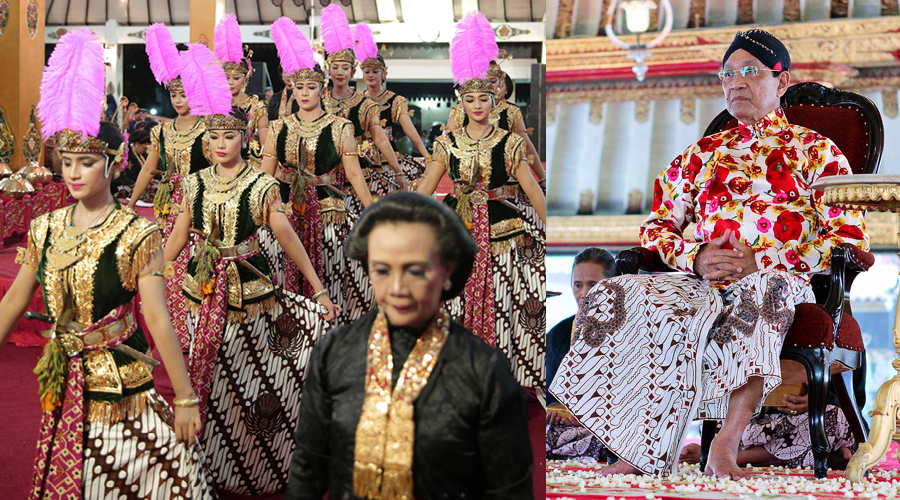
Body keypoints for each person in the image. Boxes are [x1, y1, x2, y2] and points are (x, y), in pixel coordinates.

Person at [549, 29, 869, 479]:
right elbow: (656, 227)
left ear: (781, 82)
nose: (735, 82)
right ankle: (638, 445)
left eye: (749, 72)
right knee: (619, 293)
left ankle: (725, 443)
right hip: (699, 280)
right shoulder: (700, 155)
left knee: (763, 290)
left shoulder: (817, 152)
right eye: (727, 74)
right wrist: (695, 257)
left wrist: (765, 261)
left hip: (777, 277)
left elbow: (849, 237)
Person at [0, 29, 213, 498]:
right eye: (67, 162)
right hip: (62, 374)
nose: (74, 173)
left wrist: (184, 397)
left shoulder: (138, 232)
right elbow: (15, 299)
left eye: (86, 163)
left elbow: (156, 317)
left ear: (112, 165)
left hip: (123, 379)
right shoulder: (45, 227)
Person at [165, 42, 338, 495]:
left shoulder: (261, 184)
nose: (220, 145)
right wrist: (149, 276)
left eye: (229, 137)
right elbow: (177, 240)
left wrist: (318, 290)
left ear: (245, 138)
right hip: (200, 292)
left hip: (253, 295)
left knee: (254, 381)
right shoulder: (193, 183)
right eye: (214, 138)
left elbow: (288, 239)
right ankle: (213, 465)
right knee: (212, 379)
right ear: (206, 142)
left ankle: (262, 464)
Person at [285, 192, 534, 499]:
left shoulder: (483, 370)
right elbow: (308, 468)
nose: (398, 289)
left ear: (447, 271)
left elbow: (509, 492)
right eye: (382, 270)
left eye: (415, 271)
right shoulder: (335, 352)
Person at [417, 12, 547, 392]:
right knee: (453, 303)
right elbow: (426, 186)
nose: (477, 105)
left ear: (496, 99)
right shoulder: (447, 143)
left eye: (483, 98)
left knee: (507, 307)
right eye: (469, 98)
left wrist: (551, 229)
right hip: (460, 230)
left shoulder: (509, 142)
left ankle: (501, 378)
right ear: (461, 102)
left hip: (504, 232)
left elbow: (533, 192)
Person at [262, 17, 375, 321]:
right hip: (284, 213)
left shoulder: (340, 127)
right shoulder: (278, 127)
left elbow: (353, 174)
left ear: (321, 89)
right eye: (299, 87)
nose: (303, 93)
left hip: (328, 212)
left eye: (311, 87)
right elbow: (263, 176)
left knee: (332, 277)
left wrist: (372, 211)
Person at [128, 23, 212, 351]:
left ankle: (197, 329)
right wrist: (132, 202)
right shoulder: (161, 131)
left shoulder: (208, 127)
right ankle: (170, 332)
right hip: (167, 206)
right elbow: (150, 168)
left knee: (194, 265)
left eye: (185, 94)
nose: (179, 100)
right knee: (169, 264)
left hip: (199, 203)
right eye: (174, 94)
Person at [319, 4, 408, 216]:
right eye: (335, 67)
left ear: (352, 71)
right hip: (324, 175)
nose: (340, 72)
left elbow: (380, 139)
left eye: (345, 67)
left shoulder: (365, 104)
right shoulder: (318, 102)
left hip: (357, 175)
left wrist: (398, 171)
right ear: (328, 69)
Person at [546, 248, 617, 462]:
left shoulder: (633, 332)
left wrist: (593, 418)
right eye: (578, 285)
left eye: (593, 285)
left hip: (611, 431)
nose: (584, 293)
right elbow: (548, 394)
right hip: (564, 428)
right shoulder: (558, 333)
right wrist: (552, 413)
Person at [680, 386, 856, 470]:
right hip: (747, 422)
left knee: (833, 419)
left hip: (803, 421)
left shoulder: (831, 325)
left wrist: (817, 399)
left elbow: (853, 403)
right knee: (714, 417)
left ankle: (724, 453)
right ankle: (824, 456)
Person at [353, 23, 431, 184]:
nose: (371, 75)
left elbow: (410, 130)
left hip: (387, 156)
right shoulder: (357, 99)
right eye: (367, 71)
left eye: (375, 71)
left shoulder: (396, 100)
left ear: (384, 74)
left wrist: (426, 155)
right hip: (361, 156)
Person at [215, 13, 268, 166]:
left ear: (246, 79)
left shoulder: (257, 107)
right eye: (226, 77)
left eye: (236, 78)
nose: (230, 82)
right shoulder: (216, 105)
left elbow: (266, 145)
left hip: (250, 164)